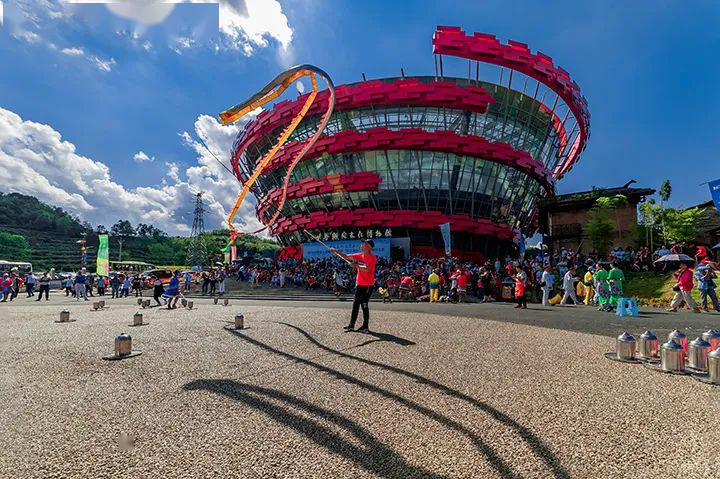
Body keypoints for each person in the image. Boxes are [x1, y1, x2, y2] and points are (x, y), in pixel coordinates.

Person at [330, 239, 377, 333]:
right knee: (355, 304)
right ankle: (351, 325)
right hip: (359, 284)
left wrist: (356, 266)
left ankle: (365, 326)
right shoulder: (358, 255)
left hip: (368, 285)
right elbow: (346, 256)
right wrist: (336, 251)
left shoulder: (372, 257)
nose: (361, 244)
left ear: (369, 247)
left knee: (364, 304)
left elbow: (367, 269)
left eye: (364, 243)